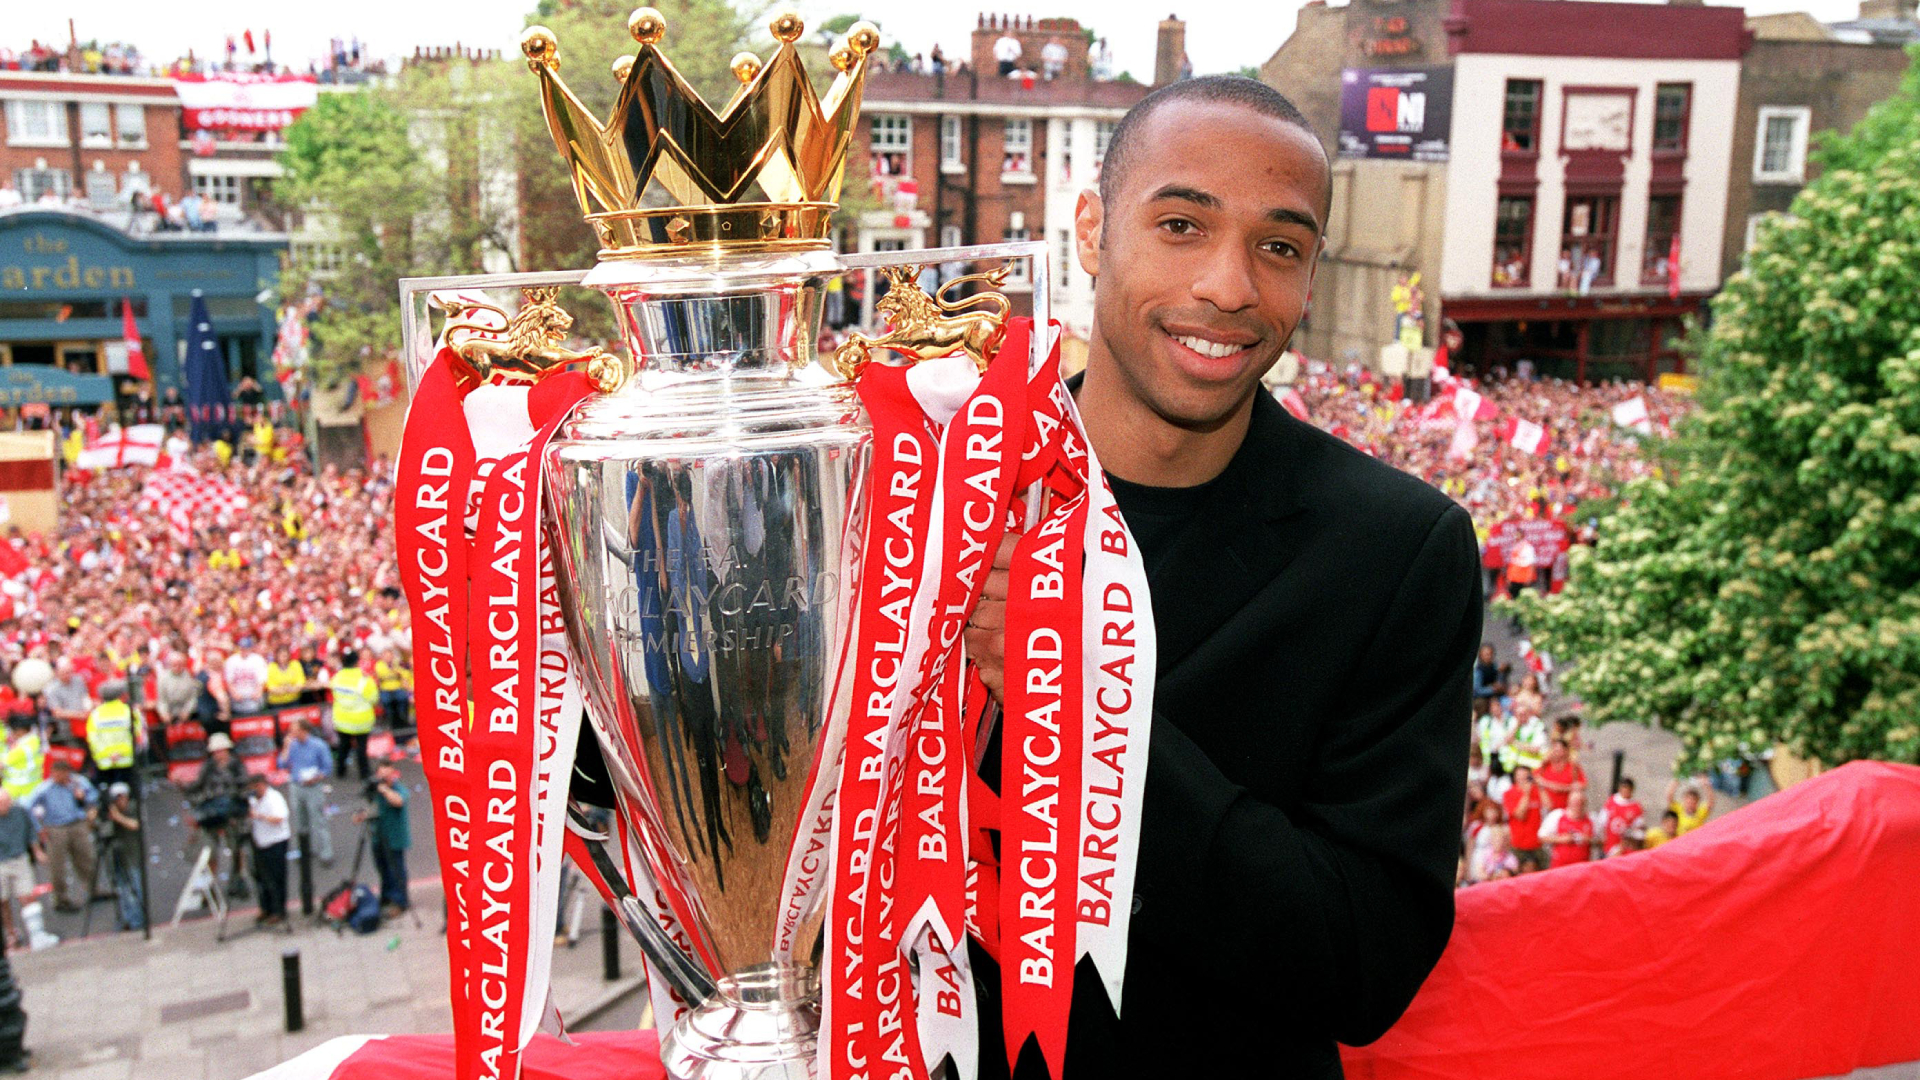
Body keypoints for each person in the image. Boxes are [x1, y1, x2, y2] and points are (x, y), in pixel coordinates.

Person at [962, 77, 1481, 1076]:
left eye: (1279, 247)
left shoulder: (1398, 552)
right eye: (1182, 225)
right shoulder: (934, 506)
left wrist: (1086, 715)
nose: (1230, 287)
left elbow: (1365, 964)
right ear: (1091, 231)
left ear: (1311, 278)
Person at [24, 759, 97, 912]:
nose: (60, 777)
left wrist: (83, 797)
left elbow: (93, 796)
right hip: (56, 829)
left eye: (63, 774)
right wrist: (38, 827)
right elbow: (27, 806)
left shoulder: (78, 783)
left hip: (77, 824)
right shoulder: (44, 789)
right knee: (57, 866)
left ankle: (93, 889)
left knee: (86, 858)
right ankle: (61, 899)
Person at [354, 756, 409, 916]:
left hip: (395, 838)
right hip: (378, 836)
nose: (384, 779)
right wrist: (362, 815)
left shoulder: (398, 789)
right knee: (383, 869)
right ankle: (386, 896)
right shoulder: (375, 791)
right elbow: (373, 809)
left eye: (388, 775)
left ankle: (400, 901)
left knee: (396, 870)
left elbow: (398, 801)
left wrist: (384, 790)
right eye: (381, 775)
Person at [276, 716, 334, 867]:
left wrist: (316, 778)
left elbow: (327, 767)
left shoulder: (318, 745)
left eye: (294, 731)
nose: (291, 734)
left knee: (318, 820)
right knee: (300, 822)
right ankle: (305, 851)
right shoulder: (292, 745)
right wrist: (286, 747)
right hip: (296, 786)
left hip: (313, 787)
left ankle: (326, 854)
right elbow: (281, 764)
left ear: (303, 731)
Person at [245, 773, 290, 925]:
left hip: (276, 842)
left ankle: (279, 910)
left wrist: (258, 815)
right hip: (259, 842)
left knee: (276, 878)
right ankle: (265, 908)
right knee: (261, 878)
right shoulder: (252, 800)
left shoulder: (274, 798)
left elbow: (279, 818)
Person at [0, 791, 42, 948]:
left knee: (27, 895)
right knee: (2, 900)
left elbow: (31, 831)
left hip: (19, 857)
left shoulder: (19, 811)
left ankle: (36, 932)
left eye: (6, 803)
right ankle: (11, 932)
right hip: (1, 861)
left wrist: (37, 850)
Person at [329, 650, 378, 781]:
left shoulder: (337, 677)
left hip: (342, 720)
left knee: (343, 746)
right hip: (360, 720)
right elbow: (374, 698)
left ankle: (340, 770)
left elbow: (334, 693)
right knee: (361, 748)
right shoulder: (364, 679)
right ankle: (364, 774)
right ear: (357, 662)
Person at [85, 679, 138, 792]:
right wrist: (121, 753)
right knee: (126, 793)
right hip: (125, 759)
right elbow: (138, 735)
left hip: (105, 762)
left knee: (106, 794)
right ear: (121, 695)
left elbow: (92, 739)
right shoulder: (129, 711)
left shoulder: (95, 714)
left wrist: (109, 754)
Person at [103, 781, 143, 930]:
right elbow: (101, 829)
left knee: (135, 888)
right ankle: (126, 919)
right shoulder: (109, 812)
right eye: (116, 798)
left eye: (122, 797)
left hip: (132, 856)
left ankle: (137, 920)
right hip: (115, 857)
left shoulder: (133, 807)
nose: (120, 801)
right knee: (121, 889)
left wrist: (118, 817)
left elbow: (135, 825)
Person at [1538, 782, 1595, 869]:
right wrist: (1561, 839)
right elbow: (1541, 837)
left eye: (1580, 803)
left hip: (1582, 867)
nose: (1578, 806)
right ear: (1569, 802)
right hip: (1560, 866)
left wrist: (1588, 839)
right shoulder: (1557, 815)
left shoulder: (1592, 818)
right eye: (1575, 803)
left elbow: (1601, 841)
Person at [1501, 764, 1546, 873]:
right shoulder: (1509, 794)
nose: (1523, 779)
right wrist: (1526, 794)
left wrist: (1541, 786)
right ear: (1515, 777)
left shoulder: (1536, 791)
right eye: (1520, 775)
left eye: (1526, 776)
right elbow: (1520, 815)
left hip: (1537, 843)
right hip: (1519, 845)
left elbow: (1549, 806)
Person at [1534, 737, 1585, 811]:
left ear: (1566, 751)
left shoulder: (1573, 767)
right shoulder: (1545, 765)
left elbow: (1582, 785)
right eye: (1553, 749)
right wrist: (1543, 762)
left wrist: (1560, 788)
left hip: (1566, 809)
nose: (1555, 752)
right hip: (1547, 809)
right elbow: (1533, 778)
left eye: (1558, 750)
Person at [224, 637, 269, 719]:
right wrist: (234, 693)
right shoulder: (231, 660)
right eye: (242, 648)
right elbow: (229, 680)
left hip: (253, 698)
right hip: (238, 699)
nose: (244, 650)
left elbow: (262, 679)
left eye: (246, 648)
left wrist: (258, 691)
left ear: (251, 648)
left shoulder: (258, 659)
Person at [1600, 776, 1645, 857]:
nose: (1626, 790)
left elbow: (1638, 830)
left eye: (1628, 788)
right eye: (1624, 787)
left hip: (1625, 847)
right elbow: (1602, 822)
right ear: (1620, 788)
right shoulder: (1610, 801)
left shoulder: (1636, 807)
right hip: (1609, 845)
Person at [1, 718, 42, 802]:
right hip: (33, 786)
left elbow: (1, 764)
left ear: (20, 731)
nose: (10, 733)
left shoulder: (21, 750)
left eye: (11, 731)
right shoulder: (34, 739)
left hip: (16, 789)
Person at [373, 648, 412, 736]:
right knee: (386, 701)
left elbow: (404, 673)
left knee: (402, 698)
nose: (388, 658)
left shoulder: (397, 664)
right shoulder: (379, 665)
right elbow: (381, 674)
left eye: (389, 656)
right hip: (385, 689)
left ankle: (403, 719)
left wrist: (394, 670)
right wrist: (393, 672)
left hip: (397, 687)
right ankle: (389, 721)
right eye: (386, 656)